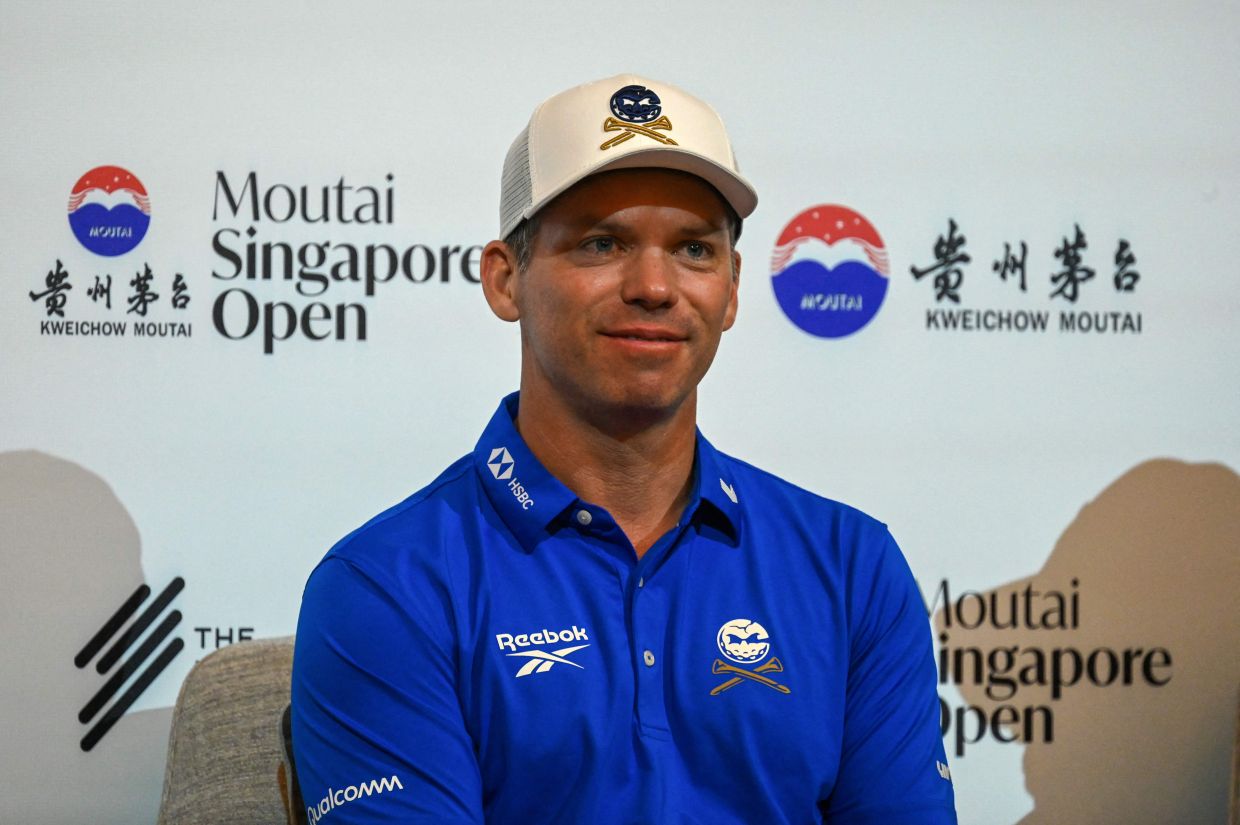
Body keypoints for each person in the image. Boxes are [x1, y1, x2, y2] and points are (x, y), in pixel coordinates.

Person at [291, 73, 957, 824]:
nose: (653, 286)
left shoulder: (851, 566)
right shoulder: (388, 585)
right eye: (602, 242)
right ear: (506, 281)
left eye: (694, 249)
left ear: (733, 288)